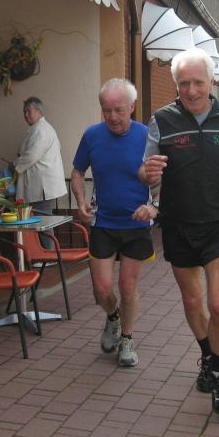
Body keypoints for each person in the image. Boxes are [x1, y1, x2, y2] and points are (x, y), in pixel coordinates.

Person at [139, 48, 219, 414]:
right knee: (192, 302)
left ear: (212, 82)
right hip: (178, 223)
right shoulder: (162, 120)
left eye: (198, 82)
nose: (191, 90)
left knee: (218, 303)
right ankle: (209, 358)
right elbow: (145, 170)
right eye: (184, 83)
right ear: (176, 84)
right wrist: (147, 174)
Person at [71, 79, 157, 367]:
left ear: (132, 107)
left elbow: (163, 178)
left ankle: (127, 340)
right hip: (103, 223)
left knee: (127, 287)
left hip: (135, 225)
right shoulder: (92, 135)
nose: (112, 117)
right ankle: (112, 317)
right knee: (102, 289)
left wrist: (153, 207)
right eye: (106, 110)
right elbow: (77, 172)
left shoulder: (147, 136)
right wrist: (80, 201)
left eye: (118, 110)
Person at [12, 97, 67, 216]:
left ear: (38, 111)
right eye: (24, 112)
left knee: (42, 220)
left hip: (42, 186)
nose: (26, 115)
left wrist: (15, 164)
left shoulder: (41, 129)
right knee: (40, 219)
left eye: (28, 111)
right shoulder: (38, 128)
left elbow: (31, 156)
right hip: (40, 185)